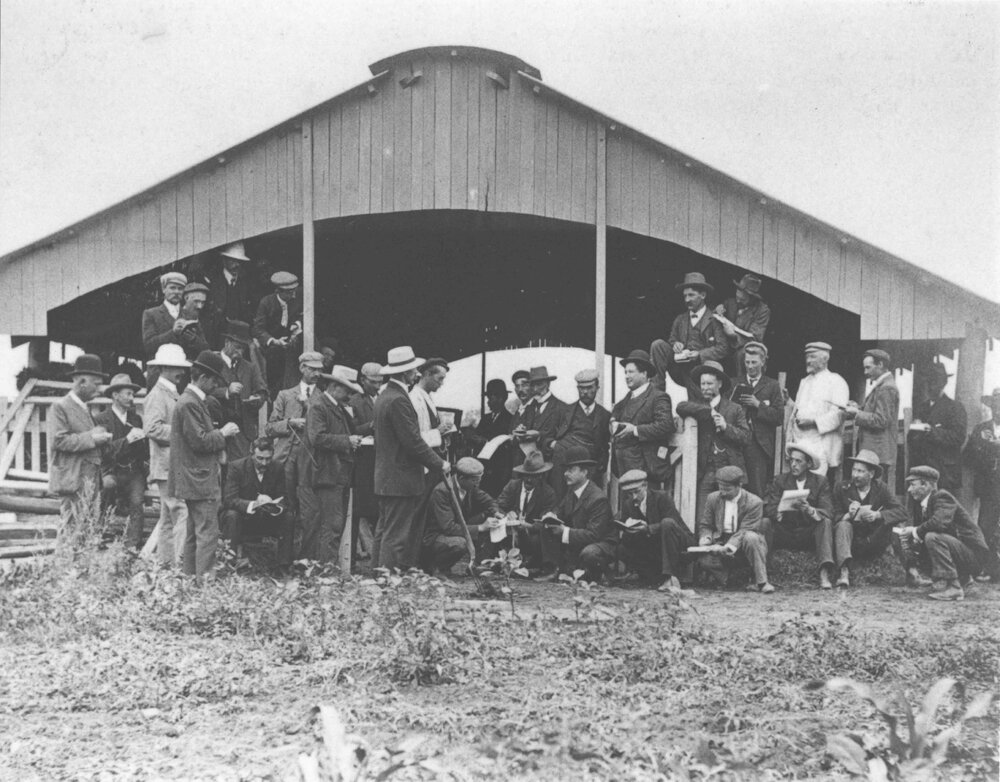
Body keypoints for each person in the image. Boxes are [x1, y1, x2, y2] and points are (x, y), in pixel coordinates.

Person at [373, 346, 449, 572]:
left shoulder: (384, 396)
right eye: (414, 369)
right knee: (396, 535)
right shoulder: (399, 400)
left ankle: (378, 575)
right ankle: (388, 581)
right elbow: (413, 443)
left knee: (384, 530)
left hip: (387, 477)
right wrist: (440, 463)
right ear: (406, 372)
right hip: (401, 478)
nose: (416, 373)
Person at [168, 350, 241, 578]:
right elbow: (199, 441)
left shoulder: (191, 401)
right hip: (199, 479)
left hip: (194, 477)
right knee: (208, 533)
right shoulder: (190, 403)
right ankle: (205, 584)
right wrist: (223, 433)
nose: (216, 386)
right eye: (215, 381)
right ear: (203, 378)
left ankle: (191, 579)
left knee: (193, 532)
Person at [896, 466, 991, 601]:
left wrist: (915, 531)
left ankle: (954, 587)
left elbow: (939, 523)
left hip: (974, 557)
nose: (909, 489)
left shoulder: (942, 496)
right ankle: (962, 579)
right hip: (962, 551)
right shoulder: (924, 503)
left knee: (932, 537)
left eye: (912, 484)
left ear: (925, 484)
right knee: (922, 537)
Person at [304, 365, 363, 565]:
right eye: (347, 390)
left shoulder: (337, 407)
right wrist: (347, 441)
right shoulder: (319, 406)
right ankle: (325, 573)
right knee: (331, 526)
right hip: (328, 473)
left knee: (335, 525)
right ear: (335, 386)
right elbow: (316, 438)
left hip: (340, 474)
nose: (349, 395)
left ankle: (327, 570)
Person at [48, 354, 113, 533]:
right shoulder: (60, 407)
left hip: (89, 480)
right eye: (96, 384)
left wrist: (101, 438)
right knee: (70, 530)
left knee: (84, 530)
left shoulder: (85, 407)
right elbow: (58, 440)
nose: (99, 389)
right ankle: (65, 562)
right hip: (74, 479)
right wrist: (93, 438)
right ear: (82, 381)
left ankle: (77, 562)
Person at [676, 361, 750, 519]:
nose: (705, 387)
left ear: (720, 384)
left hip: (729, 471)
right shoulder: (697, 406)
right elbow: (680, 407)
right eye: (702, 383)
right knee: (704, 517)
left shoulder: (734, 408)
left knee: (730, 517)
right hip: (706, 472)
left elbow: (746, 438)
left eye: (709, 383)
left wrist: (725, 427)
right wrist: (709, 411)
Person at [143, 344, 191, 569]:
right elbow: (152, 428)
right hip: (167, 464)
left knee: (168, 516)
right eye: (175, 367)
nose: (180, 372)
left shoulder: (171, 392)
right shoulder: (157, 395)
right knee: (181, 511)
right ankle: (180, 565)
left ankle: (165, 564)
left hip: (171, 463)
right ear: (164, 368)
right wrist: (182, 433)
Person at [762, 442, 836, 588]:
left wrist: (810, 510)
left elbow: (828, 510)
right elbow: (769, 507)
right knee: (765, 522)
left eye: (798, 461)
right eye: (791, 461)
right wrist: (778, 512)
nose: (793, 465)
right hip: (785, 531)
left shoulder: (820, 482)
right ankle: (761, 572)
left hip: (807, 533)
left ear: (808, 464)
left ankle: (824, 573)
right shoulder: (780, 480)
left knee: (825, 522)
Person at [830, 449, 907, 587]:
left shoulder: (881, 488)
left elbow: (902, 511)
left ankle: (911, 571)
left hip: (873, 540)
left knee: (894, 525)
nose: (855, 475)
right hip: (850, 542)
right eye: (854, 470)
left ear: (871, 474)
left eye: (860, 471)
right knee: (843, 525)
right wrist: (848, 515)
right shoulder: (841, 488)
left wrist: (877, 515)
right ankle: (844, 572)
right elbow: (832, 514)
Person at [539, 446, 617, 583]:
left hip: (602, 544)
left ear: (584, 472)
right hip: (581, 539)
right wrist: (552, 516)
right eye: (565, 470)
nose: (565, 474)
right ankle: (555, 569)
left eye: (571, 470)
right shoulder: (572, 491)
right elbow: (560, 509)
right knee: (546, 526)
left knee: (590, 554)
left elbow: (594, 535)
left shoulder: (597, 498)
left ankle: (603, 573)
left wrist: (564, 532)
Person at [696, 466, 773, 593]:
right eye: (721, 488)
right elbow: (706, 525)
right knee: (704, 561)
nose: (723, 493)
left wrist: (728, 547)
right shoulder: (712, 498)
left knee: (751, 537)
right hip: (721, 540)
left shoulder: (754, 502)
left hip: (743, 544)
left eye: (727, 489)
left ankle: (762, 582)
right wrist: (706, 538)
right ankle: (728, 580)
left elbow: (745, 530)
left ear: (739, 486)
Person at [650, 272, 729, 396]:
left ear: (703, 295)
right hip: (679, 368)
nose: (687, 300)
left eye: (691, 295)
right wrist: (675, 344)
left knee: (697, 405)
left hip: (700, 369)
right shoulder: (680, 319)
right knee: (658, 345)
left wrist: (700, 354)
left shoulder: (714, 320)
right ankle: (656, 394)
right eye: (685, 296)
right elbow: (672, 339)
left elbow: (723, 348)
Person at [94, 373, 148, 550]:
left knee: (137, 501)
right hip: (112, 470)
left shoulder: (135, 419)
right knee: (107, 487)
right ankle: (98, 535)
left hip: (133, 471)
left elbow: (143, 453)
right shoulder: (102, 419)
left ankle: (132, 545)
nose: (132, 398)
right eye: (128, 394)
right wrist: (127, 440)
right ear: (115, 396)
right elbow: (103, 452)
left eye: (133, 394)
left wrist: (143, 440)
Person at [616, 469, 694, 591]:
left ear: (645, 486)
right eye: (629, 494)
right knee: (622, 547)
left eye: (637, 492)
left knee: (666, 523)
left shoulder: (661, 497)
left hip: (678, 543)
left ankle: (670, 578)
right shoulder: (628, 504)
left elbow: (671, 524)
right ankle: (647, 576)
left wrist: (648, 528)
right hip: (655, 547)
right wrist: (628, 528)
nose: (634, 497)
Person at [420, 457, 500, 575]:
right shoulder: (442, 491)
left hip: (455, 529)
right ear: (461, 478)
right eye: (475, 480)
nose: (478, 484)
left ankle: (475, 565)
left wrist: (496, 512)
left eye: (478, 480)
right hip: (436, 536)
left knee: (489, 519)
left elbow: (488, 501)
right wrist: (480, 527)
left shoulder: (469, 487)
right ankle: (437, 568)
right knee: (460, 544)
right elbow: (448, 527)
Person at [609, 350, 675, 491]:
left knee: (647, 509)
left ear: (644, 374)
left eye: (631, 372)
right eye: (625, 372)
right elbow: (614, 420)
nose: (627, 376)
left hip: (646, 470)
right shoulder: (623, 403)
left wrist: (635, 430)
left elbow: (665, 425)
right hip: (624, 469)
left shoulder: (658, 397)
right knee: (628, 511)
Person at [221, 437, 293, 564]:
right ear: (251, 454)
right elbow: (229, 499)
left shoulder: (277, 467)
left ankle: (284, 566)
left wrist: (275, 507)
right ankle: (229, 563)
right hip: (243, 520)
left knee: (288, 517)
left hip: (267, 519)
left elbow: (284, 498)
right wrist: (253, 504)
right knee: (232, 515)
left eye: (268, 459)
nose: (264, 463)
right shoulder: (236, 467)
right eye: (260, 458)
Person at [788, 341, 849, 483]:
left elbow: (839, 413)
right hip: (800, 442)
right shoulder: (804, 382)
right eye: (807, 357)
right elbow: (799, 409)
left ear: (825, 359)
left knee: (816, 483)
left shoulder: (836, 381)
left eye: (812, 357)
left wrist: (814, 422)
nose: (808, 361)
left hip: (820, 443)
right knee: (798, 484)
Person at [730, 342, 784, 497]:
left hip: (758, 445)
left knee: (756, 489)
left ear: (762, 362)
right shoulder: (734, 383)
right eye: (747, 362)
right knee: (735, 486)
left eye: (754, 362)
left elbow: (778, 417)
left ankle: (755, 519)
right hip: (737, 441)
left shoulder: (772, 385)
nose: (750, 366)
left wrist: (758, 405)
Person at [842, 349, 899, 490]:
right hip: (875, 450)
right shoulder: (883, 385)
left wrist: (857, 414)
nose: (865, 372)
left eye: (868, 367)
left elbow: (881, 420)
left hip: (878, 452)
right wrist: (858, 408)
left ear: (880, 364)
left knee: (876, 492)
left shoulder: (887, 388)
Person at [551, 369, 611, 496]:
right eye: (581, 388)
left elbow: (605, 446)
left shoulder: (605, 416)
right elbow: (550, 435)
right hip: (564, 469)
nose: (585, 392)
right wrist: (553, 444)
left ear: (597, 387)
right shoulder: (565, 411)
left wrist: (600, 466)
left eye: (589, 388)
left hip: (589, 470)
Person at [907, 363, 967, 493]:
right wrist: (914, 431)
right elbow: (911, 439)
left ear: (943, 383)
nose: (929, 387)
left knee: (941, 508)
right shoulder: (922, 408)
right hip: (923, 471)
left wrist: (931, 431)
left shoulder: (955, 408)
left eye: (934, 382)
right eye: (927, 382)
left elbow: (958, 437)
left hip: (944, 473)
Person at [496, 451, 558, 572]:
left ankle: (534, 565)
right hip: (510, 534)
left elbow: (545, 520)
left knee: (540, 538)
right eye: (526, 475)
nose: (529, 480)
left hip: (530, 537)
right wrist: (507, 514)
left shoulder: (547, 493)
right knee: (493, 524)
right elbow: (497, 505)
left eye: (534, 476)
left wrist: (528, 526)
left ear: (541, 476)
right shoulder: (513, 485)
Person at [512, 366, 570, 490]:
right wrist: (521, 430)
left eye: (540, 384)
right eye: (532, 385)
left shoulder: (562, 408)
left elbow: (563, 441)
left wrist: (539, 436)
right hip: (531, 469)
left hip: (551, 469)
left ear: (548, 383)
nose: (536, 389)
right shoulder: (529, 408)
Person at [349, 362, 384, 565]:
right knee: (358, 510)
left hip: (378, 461)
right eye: (373, 382)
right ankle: (352, 557)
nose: (377, 386)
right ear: (362, 380)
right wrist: (371, 425)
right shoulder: (355, 401)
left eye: (380, 382)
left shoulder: (380, 398)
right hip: (362, 463)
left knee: (378, 511)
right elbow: (351, 428)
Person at [218, 320, 268, 461]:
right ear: (227, 342)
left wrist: (256, 399)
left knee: (241, 468)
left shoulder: (250, 367)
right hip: (217, 425)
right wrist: (226, 392)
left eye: (243, 349)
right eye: (237, 347)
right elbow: (203, 390)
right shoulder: (213, 361)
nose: (240, 352)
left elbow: (263, 391)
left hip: (243, 429)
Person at [964, 387, 1000, 579]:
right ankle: (991, 569)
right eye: (996, 404)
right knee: (986, 526)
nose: (999, 409)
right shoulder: (981, 429)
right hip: (989, 487)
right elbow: (968, 457)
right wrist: (984, 448)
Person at [253, 271, 304, 396]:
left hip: (292, 344)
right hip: (273, 348)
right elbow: (258, 329)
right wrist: (274, 341)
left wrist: (297, 326)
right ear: (278, 291)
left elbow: (306, 313)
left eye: (294, 290)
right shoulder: (266, 303)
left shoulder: (299, 296)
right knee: (275, 380)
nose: (293, 295)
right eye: (289, 292)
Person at [712, 273, 771, 376]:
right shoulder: (730, 302)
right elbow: (714, 317)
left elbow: (755, 337)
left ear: (752, 297)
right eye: (737, 297)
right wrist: (717, 310)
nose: (738, 301)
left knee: (743, 355)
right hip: (727, 346)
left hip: (747, 347)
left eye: (742, 300)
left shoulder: (762, 311)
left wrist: (733, 336)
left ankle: (743, 386)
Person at [471, 378, 515, 497]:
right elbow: (477, 436)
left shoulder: (511, 419)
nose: (488, 401)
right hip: (483, 470)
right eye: (488, 397)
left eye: (492, 397)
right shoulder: (485, 418)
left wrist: (485, 442)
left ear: (502, 398)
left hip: (499, 473)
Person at [410, 358, 454, 468]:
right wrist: (438, 431)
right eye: (440, 379)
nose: (442, 383)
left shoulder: (427, 397)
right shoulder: (414, 399)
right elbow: (414, 439)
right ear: (427, 374)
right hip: (421, 463)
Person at [141, 271, 189, 360]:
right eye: (172, 288)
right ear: (164, 289)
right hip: (159, 369)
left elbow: (203, 347)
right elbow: (148, 346)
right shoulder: (151, 314)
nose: (176, 292)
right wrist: (173, 333)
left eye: (180, 288)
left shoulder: (189, 315)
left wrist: (191, 337)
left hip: (183, 369)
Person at [175, 282, 213, 360]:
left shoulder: (205, 320)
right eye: (196, 301)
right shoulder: (174, 315)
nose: (200, 306)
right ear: (186, 298)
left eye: (203, 302)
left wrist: (195, 340)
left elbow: (208, 349)